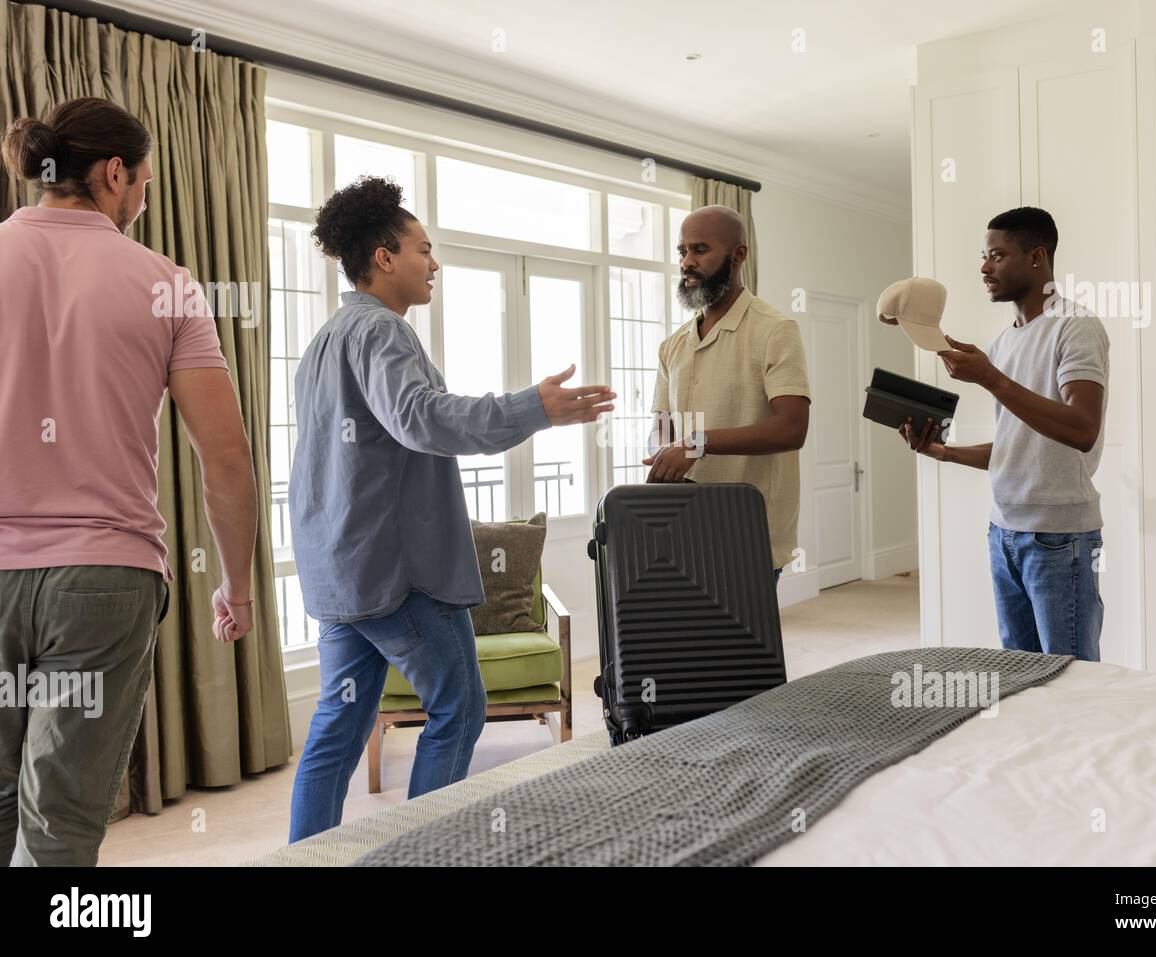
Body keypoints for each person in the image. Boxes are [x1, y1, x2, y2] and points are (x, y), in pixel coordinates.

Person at [287, 176, 615, 841]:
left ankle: (303, 857)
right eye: (422, 249)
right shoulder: (383, 333)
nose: (434, 264)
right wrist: (532, 408)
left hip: (341, 573)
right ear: (383, 257)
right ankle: (421, 854)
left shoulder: (325, 340)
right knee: (460, 708)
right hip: (396, 575)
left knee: (338, 725)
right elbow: (419, 418)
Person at [0, 98, 256, 865]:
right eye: (143, 180)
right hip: (104, 579)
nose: (142, 198)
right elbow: (227, 460)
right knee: (59, 824)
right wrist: (234, 587)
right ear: (116, 174)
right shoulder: (166, 284)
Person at [899, 207, 1109, 660]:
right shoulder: (1003, 342)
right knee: (1021, 675)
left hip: (1059, 537)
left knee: (1073, 680)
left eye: (997, 255)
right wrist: (943, 451)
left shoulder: (1075, 326)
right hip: (1003, 532)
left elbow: (1082, 428)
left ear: (1037, 257)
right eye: (983, 256)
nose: (984, 267)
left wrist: (991, 378)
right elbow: (1018, 446)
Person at [646, 205, 811, 584]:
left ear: (738, 255)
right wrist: (664, 454)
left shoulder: (776, 330)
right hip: (680, 528)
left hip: (747, 535)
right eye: (681, 251)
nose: (687, 262)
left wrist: (696, 443)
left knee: (741, 644)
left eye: (700, 250)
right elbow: (663, 432)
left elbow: (791, 429)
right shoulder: (671, 346)